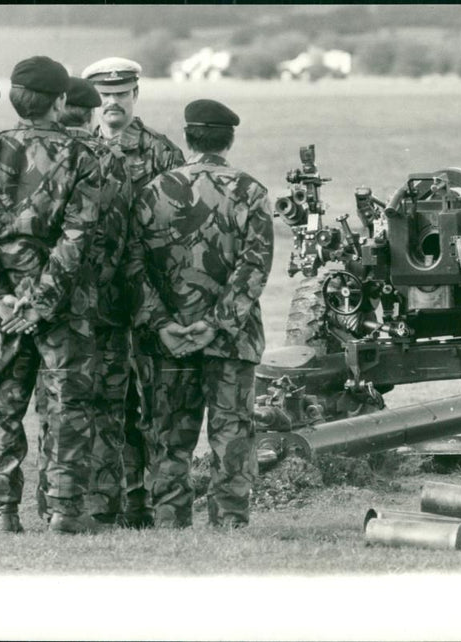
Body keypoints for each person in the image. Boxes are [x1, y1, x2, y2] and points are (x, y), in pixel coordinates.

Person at [0, 56, 101, 534]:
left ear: (16, 99)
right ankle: (63, 512)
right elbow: (77, 237)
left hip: (0, 309)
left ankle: (1, 512)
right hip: (65, 307)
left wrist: (1, 295)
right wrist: (41, 300)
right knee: (66, 409)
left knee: (2, 404)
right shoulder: (85, 156)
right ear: (61, 102)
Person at [126, 99, 273, 529]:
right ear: (229, 139)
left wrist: (163, 324)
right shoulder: (251, 192)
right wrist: (216, 324)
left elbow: (134, 267)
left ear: (187, 137)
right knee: (231, 432)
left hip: (168, 341)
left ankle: (170, 518)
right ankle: (229, 519)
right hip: (232, 340)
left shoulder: (152, 192)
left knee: (168, 435)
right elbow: (254, 269)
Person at [82, 56, 184, 528]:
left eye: (121, 93)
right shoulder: (78, 149)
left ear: (136, 95)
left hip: (149, 299)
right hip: (95, 301)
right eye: (105, 94)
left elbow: (179, 232)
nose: (112, 103)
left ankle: (154, 502)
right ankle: (114, 499)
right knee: (105, 402)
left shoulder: (162, 153)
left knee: (155, 402)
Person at [34, 77, 133, 526]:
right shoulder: (108, 159)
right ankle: (104, 503)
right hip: (107, 303)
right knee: (107, 407)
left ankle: (51, 498)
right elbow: (123, 233)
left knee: (54, 404)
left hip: (49, 304)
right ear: (92, 114)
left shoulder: (41, 157)